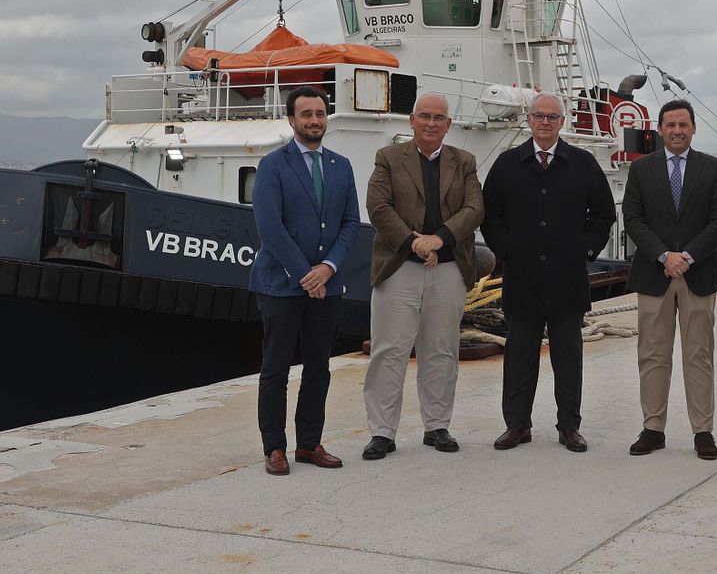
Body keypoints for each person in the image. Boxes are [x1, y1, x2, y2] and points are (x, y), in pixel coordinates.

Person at [481, 92, 616, 452]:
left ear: (562, 122)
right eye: (539, 116)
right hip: (522, 276)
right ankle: (517, 425)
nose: (545, 122)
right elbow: (490, 214)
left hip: (567, 277)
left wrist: (586, 249)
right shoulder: (508, 164)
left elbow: (603, 214)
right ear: (529, 120)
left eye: (552, 117)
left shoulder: (583, 164)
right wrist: (505, 250)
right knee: (520, 355)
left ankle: (569, 426)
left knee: (568, 356)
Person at [361, 93, 485, 460]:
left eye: (439, 118)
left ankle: (437, 425)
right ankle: (382, 433)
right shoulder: (388, 158)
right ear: (411, 121)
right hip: (400, 268)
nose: (432, 123)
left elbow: (474, 208)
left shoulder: (464, 162)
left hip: (448, 269)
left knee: (442, 350)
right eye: (425, 116)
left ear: (449, 124)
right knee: (389, 351)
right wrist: (415, 243)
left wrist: (440, 238)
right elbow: (378, 207)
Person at [249, 86, 362, 476]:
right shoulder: (272, 166)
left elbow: (350, 224)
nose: (315, 120)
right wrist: (304, 274)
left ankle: (310, 444)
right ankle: (274, 448)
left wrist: (327, 268)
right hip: (280, 286)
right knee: (276, 368)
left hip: (327, 285)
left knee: (318, 368)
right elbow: (270, 227)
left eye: (320, 113)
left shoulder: (341, 166)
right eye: (307, 114)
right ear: (292, 120)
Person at [621, 100, 717, 460]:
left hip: (697, 273)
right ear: (660, 129)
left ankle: (703, 431)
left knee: (699, 354)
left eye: (683, 125)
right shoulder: (642, 170)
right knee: (653, 354)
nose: (677, 131)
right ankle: (653, 428)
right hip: (655, 274)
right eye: (670, 125)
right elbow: (633, 218)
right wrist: (663, 255)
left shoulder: (712, 168)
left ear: (694, 128)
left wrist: (686, 257)